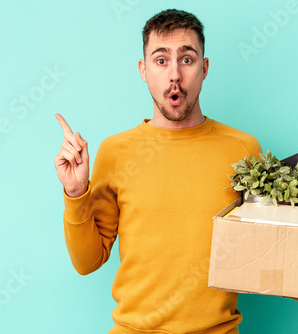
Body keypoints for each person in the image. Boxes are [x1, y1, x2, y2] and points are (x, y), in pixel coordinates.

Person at [54, 9, 262, 333]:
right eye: (161, 60)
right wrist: (76, 192)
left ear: (204, 68)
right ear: (143, 70)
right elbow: (87, 262)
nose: (174, 75)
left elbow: (265, 248)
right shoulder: (116, 151)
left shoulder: (243, 149)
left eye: (187, 59)